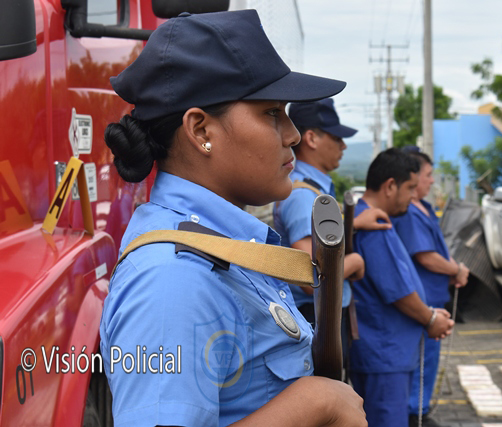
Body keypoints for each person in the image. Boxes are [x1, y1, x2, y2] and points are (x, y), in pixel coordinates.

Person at [99, 10, 366, 427]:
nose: (293, 134)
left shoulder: (222, 245)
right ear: (201, 131)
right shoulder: (172, 282)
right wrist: (317, 404)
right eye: (272, 113)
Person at [273, 99, 390, 353]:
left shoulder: (311, 189)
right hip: (313, 316)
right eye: (336, 138)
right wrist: (355, 262)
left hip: (318, 314)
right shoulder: (304, 196)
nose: (343, 146)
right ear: (312, 139)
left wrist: (353, 223)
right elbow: (308, 278)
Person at [349, 148, 455, 427]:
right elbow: (397, 290)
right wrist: (430, 318)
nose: (413, 195)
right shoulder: (375, 226)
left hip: (386, 351)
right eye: (409, 188)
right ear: (390, 186)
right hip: (385, 353)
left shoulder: (368, 218)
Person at [392, 151, 469, 427]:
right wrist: (456, 270)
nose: (432, 181)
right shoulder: (410, 213)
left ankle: (420, 408)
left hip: (435, 294)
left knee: (429, 357)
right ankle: (415, 412)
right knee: (421, 358)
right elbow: (425, 256)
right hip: (422, 300)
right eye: (427, 175)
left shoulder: (422, 207)